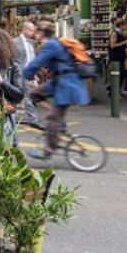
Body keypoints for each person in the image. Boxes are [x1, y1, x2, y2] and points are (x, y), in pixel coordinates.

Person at [22, 21, 90, 160]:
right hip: (58, 82)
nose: (34, 35)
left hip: (66, 85)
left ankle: (48, 149)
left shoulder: (51, 45)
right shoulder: (54, 42)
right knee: (34, 94)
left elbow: (36, 63)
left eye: (36, 32)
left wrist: (25, 74)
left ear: (41, 33)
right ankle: (59, 122)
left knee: (52, 118)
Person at [108, 12, 127, 97]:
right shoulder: (115, 33)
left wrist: (126, 45)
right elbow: (112, 45)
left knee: (121, 74)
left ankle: (115, 90)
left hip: (120, 56)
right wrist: (125, 42)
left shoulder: (120, 33)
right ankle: (113, 91)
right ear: (121, 26)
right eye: (125, 25)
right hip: (116, 57)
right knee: (118, 74)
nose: (126, 27)